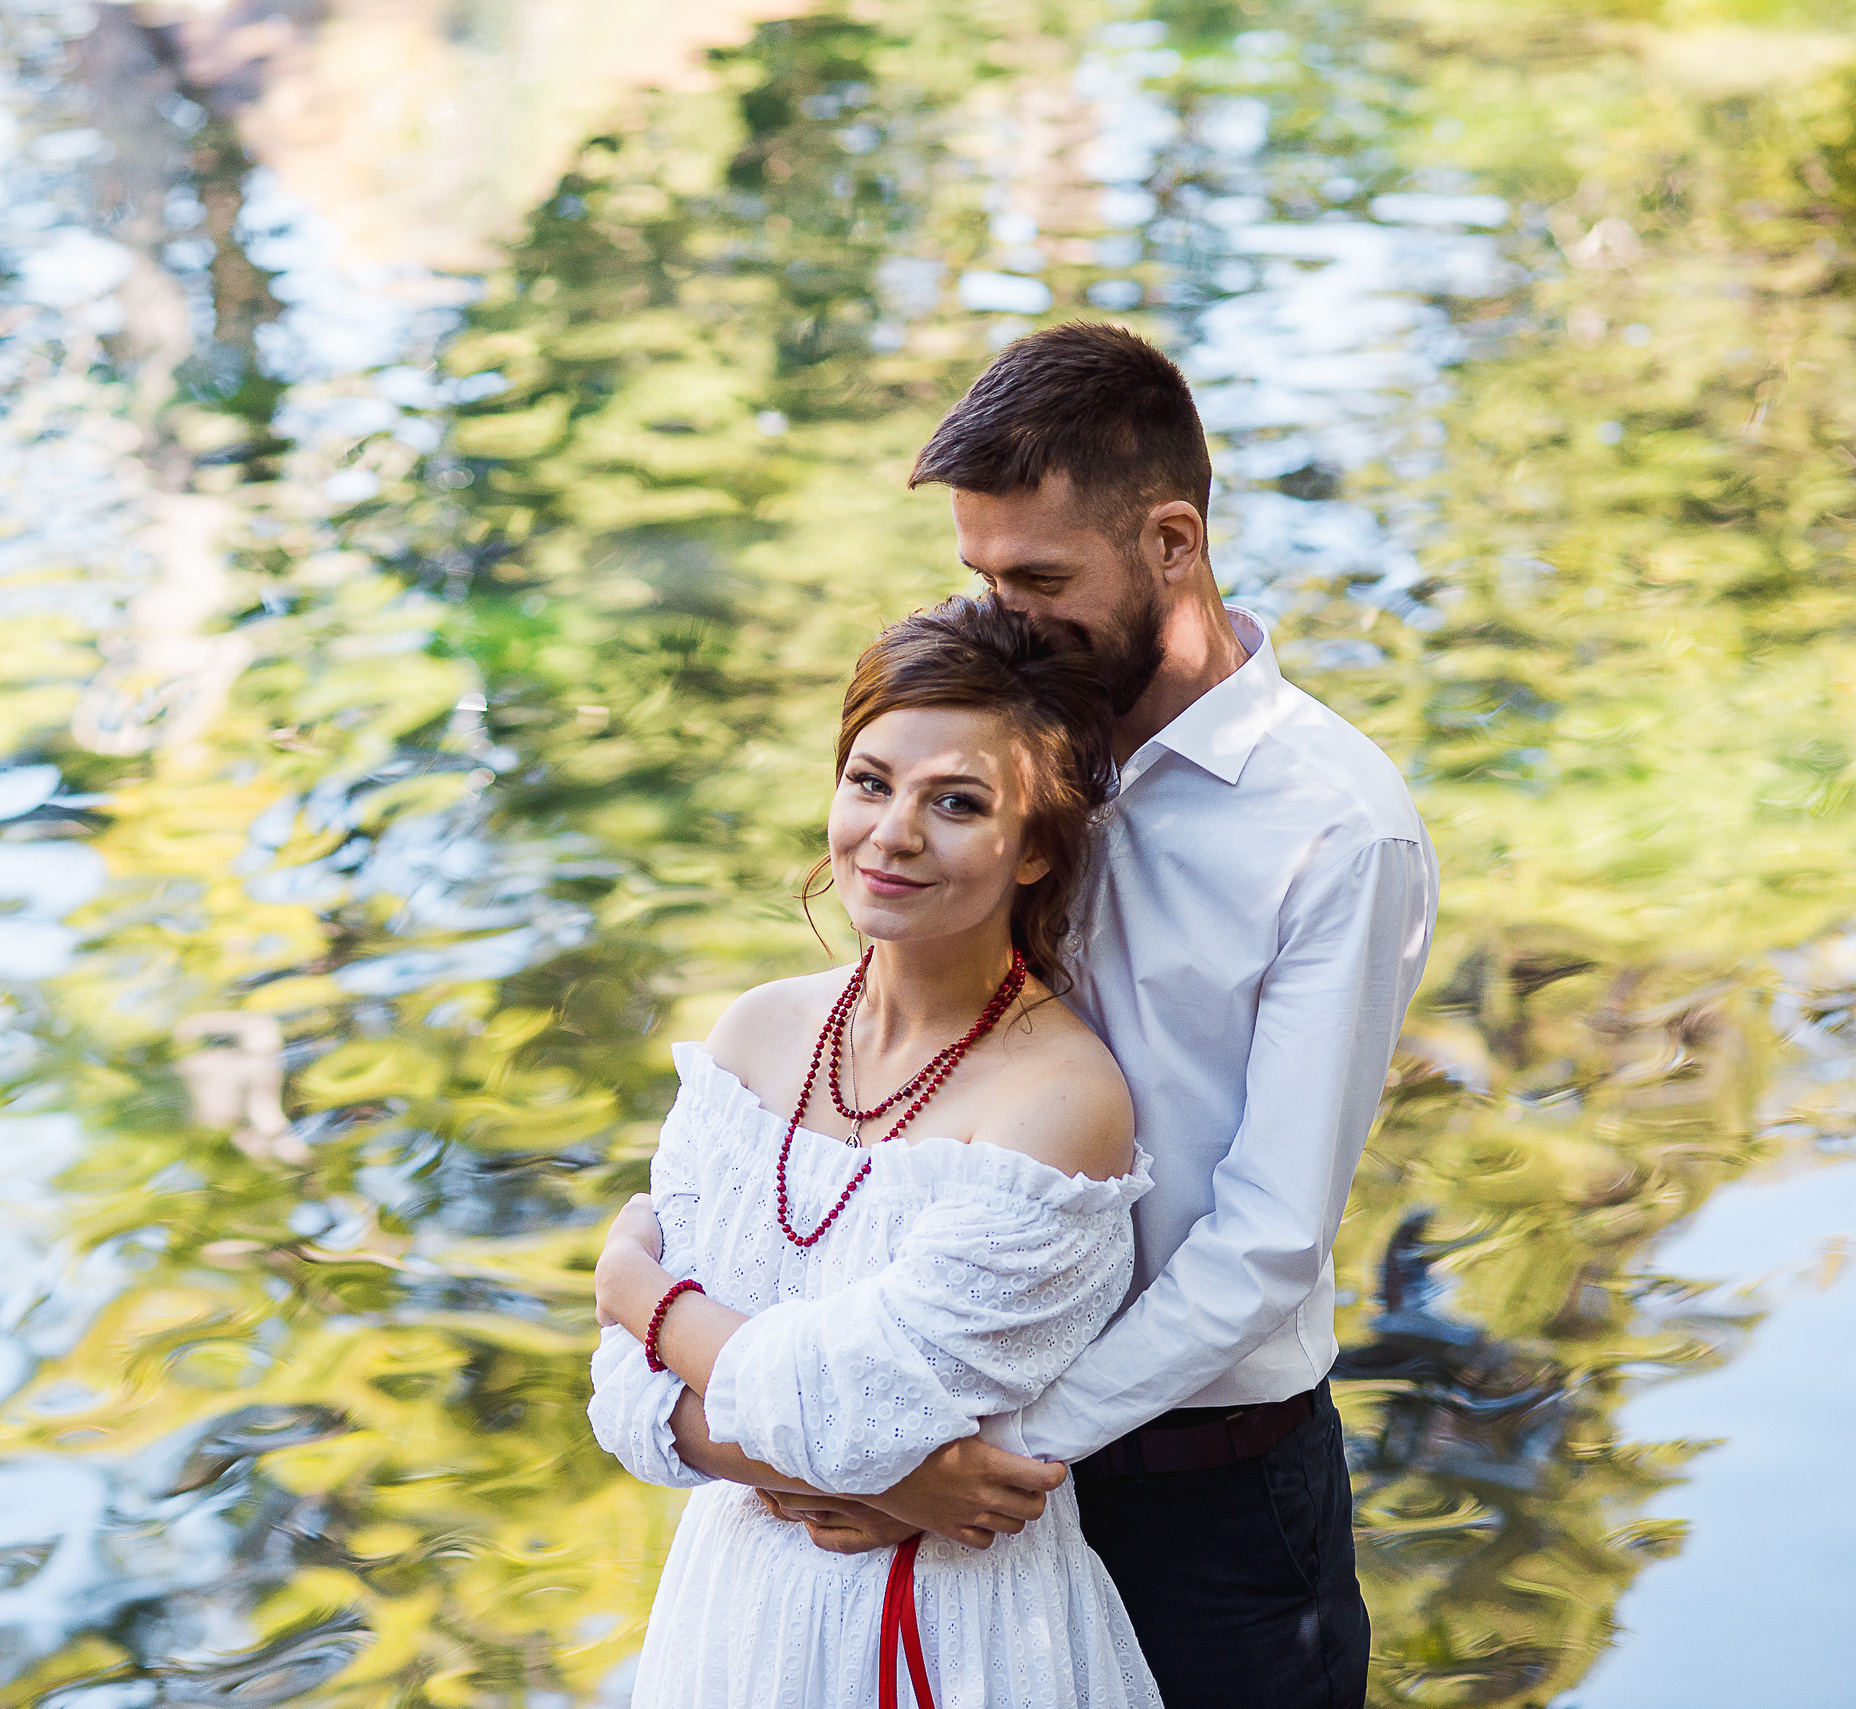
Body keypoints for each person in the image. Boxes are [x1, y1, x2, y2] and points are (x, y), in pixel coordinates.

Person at [750, 321, 1441, 1709]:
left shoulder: (1334, 831)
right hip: (945, 1437)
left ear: (1173, 542)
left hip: (1201, 1498)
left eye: (1041, 577)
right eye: (981, 576)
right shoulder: (994, 755)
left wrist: (986, 1464)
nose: (1004, 613)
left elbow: (1267, 1238)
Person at [586, 596, 1164, 1709]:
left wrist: (639, 1294)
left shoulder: (1060, 1102)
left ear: (1035, 847)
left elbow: (848, 1399)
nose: (893, 831)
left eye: (956, 802)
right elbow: (624, 1406)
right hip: (733, 1613)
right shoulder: (754, 1034)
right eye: (869, 780)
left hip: (956, 1630)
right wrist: (907, 1472)